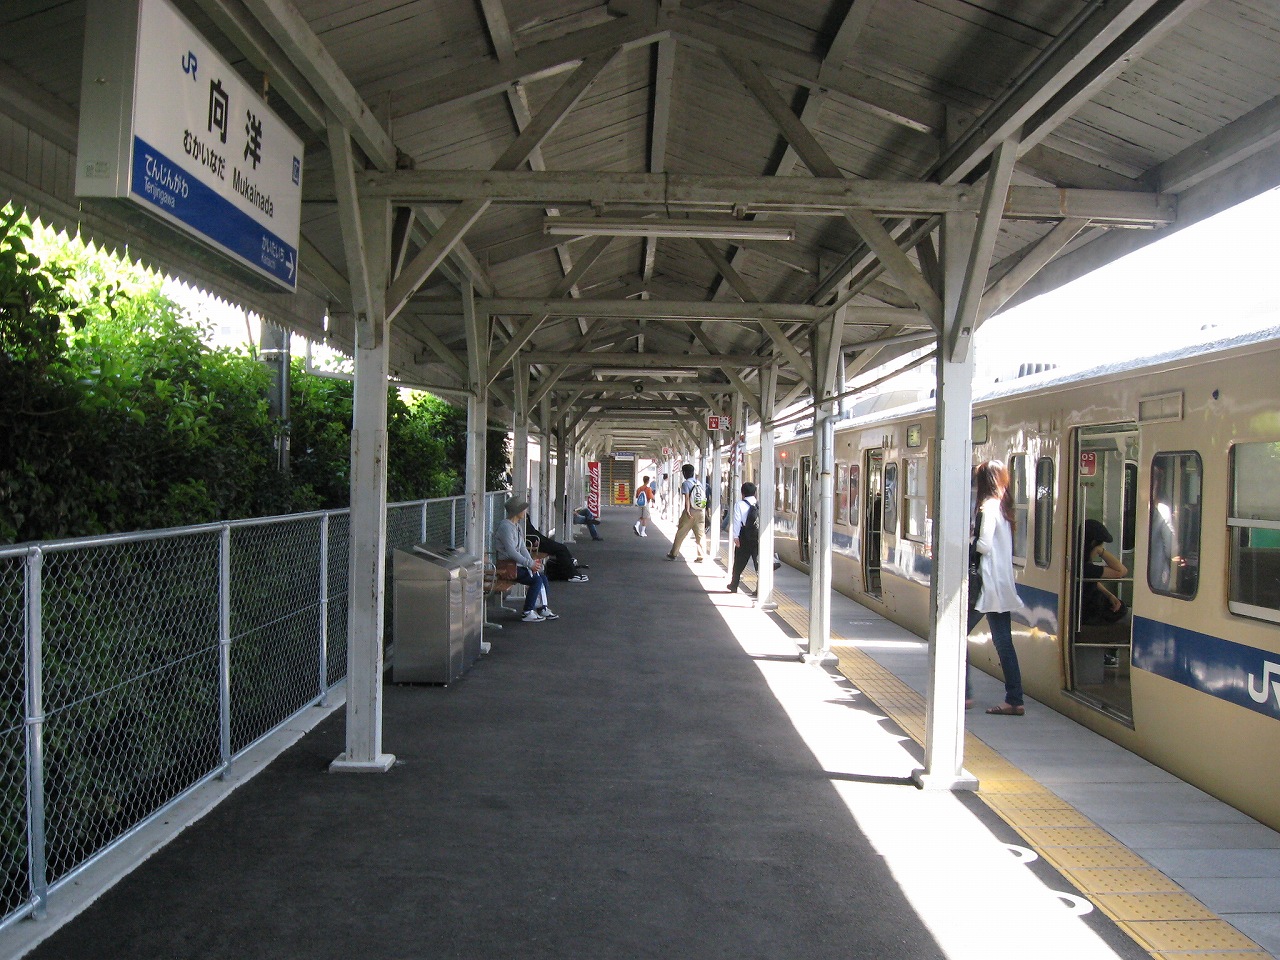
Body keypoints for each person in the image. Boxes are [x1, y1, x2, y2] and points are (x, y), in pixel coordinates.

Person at [966, 460, 1026, 715]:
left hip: (986, 585)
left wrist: (968, 542)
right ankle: (1015, 699)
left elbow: (984, 545)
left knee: (955, 635)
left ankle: (964, 694)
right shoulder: (1003, 507)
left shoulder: (988, 507)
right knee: (1004, 643)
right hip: (1001, 585)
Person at [493, 497, 559, 622]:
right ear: (516, 511)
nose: (525, 512)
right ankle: (527, 612)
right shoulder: (505, 527)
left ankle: (542, 608)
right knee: (536, 580)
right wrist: (529, 564)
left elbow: (522, 548)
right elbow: (511, 551)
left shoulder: (517, 526)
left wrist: (532, 564)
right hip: (507, 567)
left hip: (516, 565)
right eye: (523, 509)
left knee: (542, 578)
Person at [666, 463, 707, 562]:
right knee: (700, 535)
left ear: (684, 473)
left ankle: (673, 554)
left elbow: (687, 498)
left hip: (690, 511)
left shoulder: (686, 483)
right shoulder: (699, 483)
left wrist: (687, 511)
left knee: (681, 533)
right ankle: (701, 556)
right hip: (700, 511)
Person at [726, 481, 760, 595]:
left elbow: (736, 521)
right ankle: (760, 589)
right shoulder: (758, 504)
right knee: (758, 563)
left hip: (744, 535)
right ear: (755, 493)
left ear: (742, 493)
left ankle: (734, 585)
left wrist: (736, 536)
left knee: (739, 562)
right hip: (757, 536)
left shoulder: (739, 504)